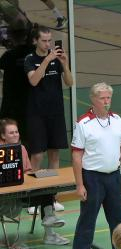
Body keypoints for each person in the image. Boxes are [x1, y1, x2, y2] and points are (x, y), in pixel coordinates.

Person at [70, 82, 121, 249]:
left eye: (108, 98)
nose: (106, 102)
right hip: (92, 178)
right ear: (93, 99)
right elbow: (76, 156)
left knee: (117, 220)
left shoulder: (116, 120)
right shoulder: (83, 124)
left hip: (113, 177)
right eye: (102, 98)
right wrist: (80, 184)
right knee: (87, 220)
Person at [24, 25, 73, 211]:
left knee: (54, 154)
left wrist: (64, 64)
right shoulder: (30, 59)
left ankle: (51, 198)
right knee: (37, 155)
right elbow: (34, 80)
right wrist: (46, 61)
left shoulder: (56, 58)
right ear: (35, 41)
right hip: (36, 113)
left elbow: (69, 82)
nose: (47, 44)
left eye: (49, 40)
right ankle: (33, 200)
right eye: (44, 41)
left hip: (56, 113)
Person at [0, 118, 68, 245]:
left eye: (16, 132)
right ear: (3, 135)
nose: (15, 135)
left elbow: (27, 172)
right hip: (4, 200)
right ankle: (48, 218)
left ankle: (50, 231)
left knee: (47, 188)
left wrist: (36, 174)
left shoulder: (22, 149)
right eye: (11, 133)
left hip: (21, 195)